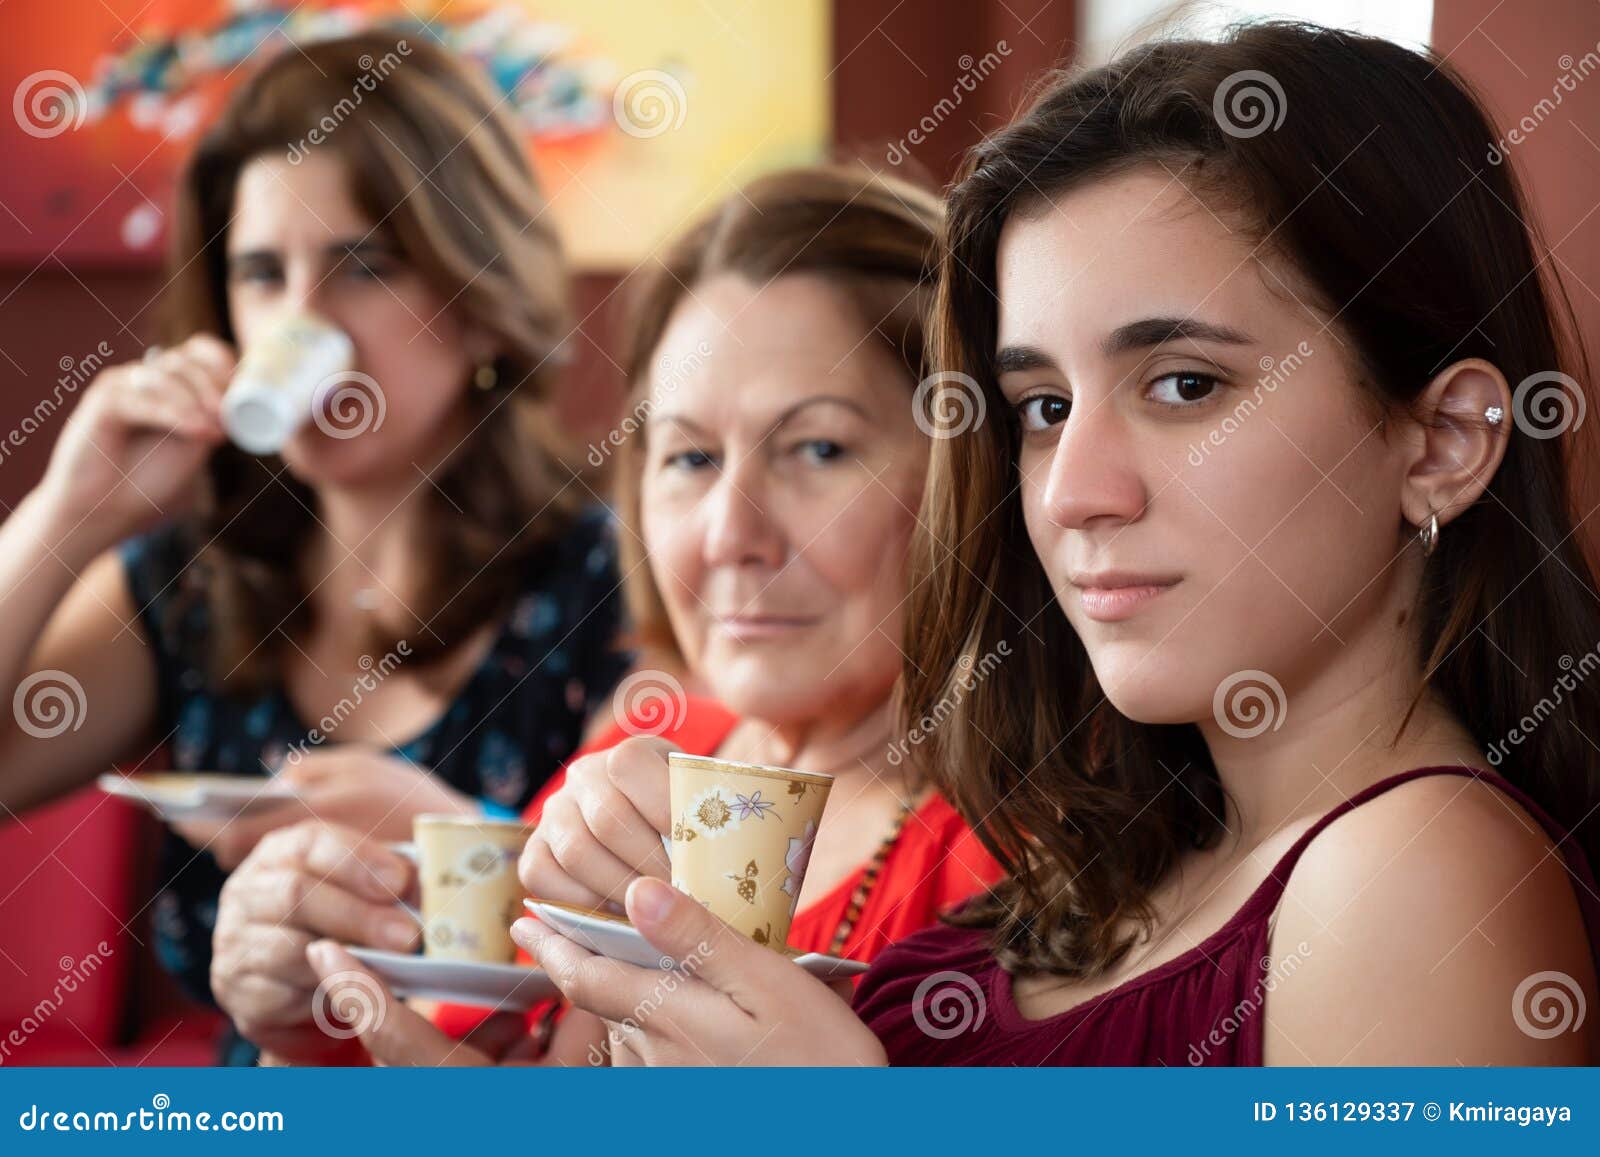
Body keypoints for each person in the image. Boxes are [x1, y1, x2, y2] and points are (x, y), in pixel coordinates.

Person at [516, 21, 1600, 1066]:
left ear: (1443, 441)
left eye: (1183, 385)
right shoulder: (1131, 852)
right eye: (1039, 405)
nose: (1072, 490)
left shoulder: (1413, 879)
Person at [211, 165, 1003, 1066]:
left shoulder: (1030, 850)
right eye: (690, 457)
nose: (728, 535)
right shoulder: (628, 763)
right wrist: (304, 1032)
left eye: (817, 448)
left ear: (967, 471)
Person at [0, 32, 628, 1062]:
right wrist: (70, 512)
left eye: (362, 268)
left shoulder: (612, 576)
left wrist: (457, 837)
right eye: (260, 274)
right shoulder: (197, 582)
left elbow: (678, 935)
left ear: (478, 304)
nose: (301, 322)